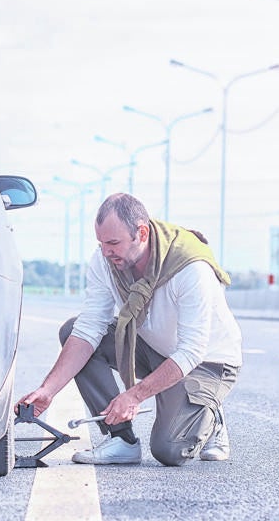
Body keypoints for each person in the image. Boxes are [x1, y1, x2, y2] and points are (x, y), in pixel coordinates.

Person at [18, 192, 242, 466]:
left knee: (169, 451)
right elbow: (89, 328)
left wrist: (134, 396)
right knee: (72, 330)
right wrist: (48, 390)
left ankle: (209, 412)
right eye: (101, 243)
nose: (106, 251)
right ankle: (121, 439)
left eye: (113, 243)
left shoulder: (191, 268)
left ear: (142, 233)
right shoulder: (105, 260)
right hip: (155, 347)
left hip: (206, 362)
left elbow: (191, 351)